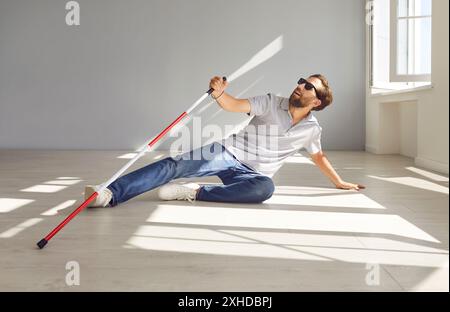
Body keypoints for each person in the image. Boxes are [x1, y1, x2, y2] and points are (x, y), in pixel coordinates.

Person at [85, 74, 365, 207]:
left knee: (265, 190)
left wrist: (339, 183)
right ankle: (109, 193)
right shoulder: (269, 102)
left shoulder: (311, 129)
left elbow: (318, 156)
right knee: (174, 166)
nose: (300, 85)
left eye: (308, 86)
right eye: (301, 80)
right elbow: (234, 105)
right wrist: (219, 94)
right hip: (228, 152)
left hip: (255, 174)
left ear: (316, 101)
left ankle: (194, 192)